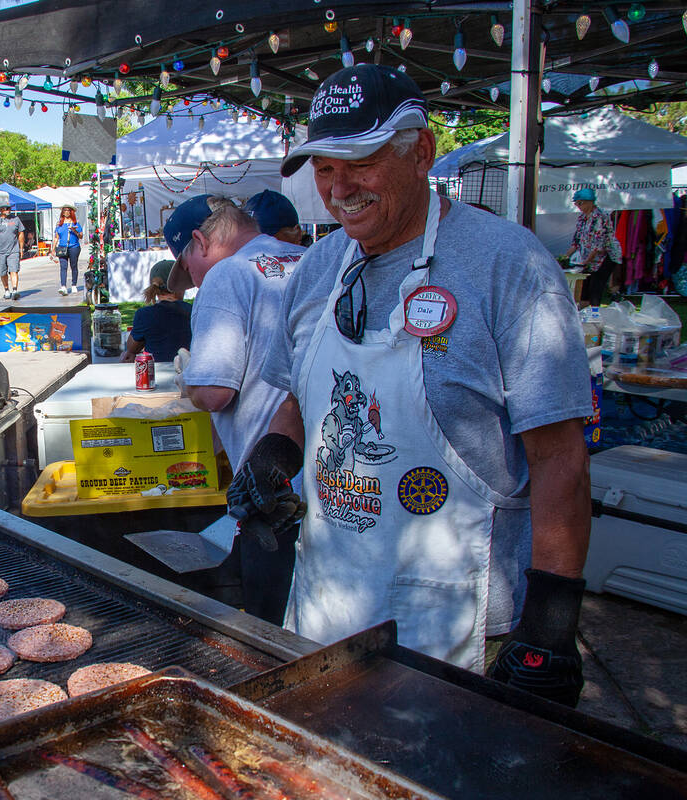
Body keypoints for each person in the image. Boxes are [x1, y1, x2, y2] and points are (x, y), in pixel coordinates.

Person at [254, 64, 592, 706]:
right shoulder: (318, 267)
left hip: (453, 617)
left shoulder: (508, 267)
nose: (340, 187)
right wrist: (276, 453)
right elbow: (298, 394)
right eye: (323, 167)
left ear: (423, 153)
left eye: (361, 160)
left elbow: (560, 457)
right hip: (329, 600)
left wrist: (551, 618)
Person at [164, 195, 306, 624]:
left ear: (199, 242)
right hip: (338, 491)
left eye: (188, 269)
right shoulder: (310, 258)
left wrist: (188, 377)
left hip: (272, 496)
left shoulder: (227, 274)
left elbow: (213, 393)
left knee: (273, 637)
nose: (194, 281)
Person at [120, 260, 191, 362]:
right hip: (187, 372)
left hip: (154, 372)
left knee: (127, 355)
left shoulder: (145, 315)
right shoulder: (193, 311)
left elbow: (131, 348)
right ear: (179, 285)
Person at [565, 187, 621, 306]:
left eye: (580, 203)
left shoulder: (600, 217)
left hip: (605, 256)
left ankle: (594, 315)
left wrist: (586, 261)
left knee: (596, 286)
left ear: (590, 202)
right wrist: (564, 257)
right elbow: (576, 241)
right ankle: (584, 311)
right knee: (584, 285)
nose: (578, 206)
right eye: (576, 203)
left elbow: (598, 244)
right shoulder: (582, 218)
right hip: (590, 258)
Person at [0, 202, 26, 299]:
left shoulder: (15, 219)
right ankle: (7, 290)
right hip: (0, 251)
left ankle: (15, 290)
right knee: (2, 272)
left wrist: (21, 248)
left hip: (13, 250)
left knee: (14, 270)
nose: (8, 210)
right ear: (1, 210)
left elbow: (21, 233)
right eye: (6, 208)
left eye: (9, 208)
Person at [53, 205, 83, 295]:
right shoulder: (59, 224)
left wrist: (75, 231)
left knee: (73, 266)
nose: (66, 212)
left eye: (68, 210)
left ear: (71, 212)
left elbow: (81, 236)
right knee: (63, 266)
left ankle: (74, 285)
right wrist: (53, 249)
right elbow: (56, 237)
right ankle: (63, 286)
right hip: (62, 247)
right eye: (64, 210)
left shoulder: (76, 224)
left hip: (74, 247)